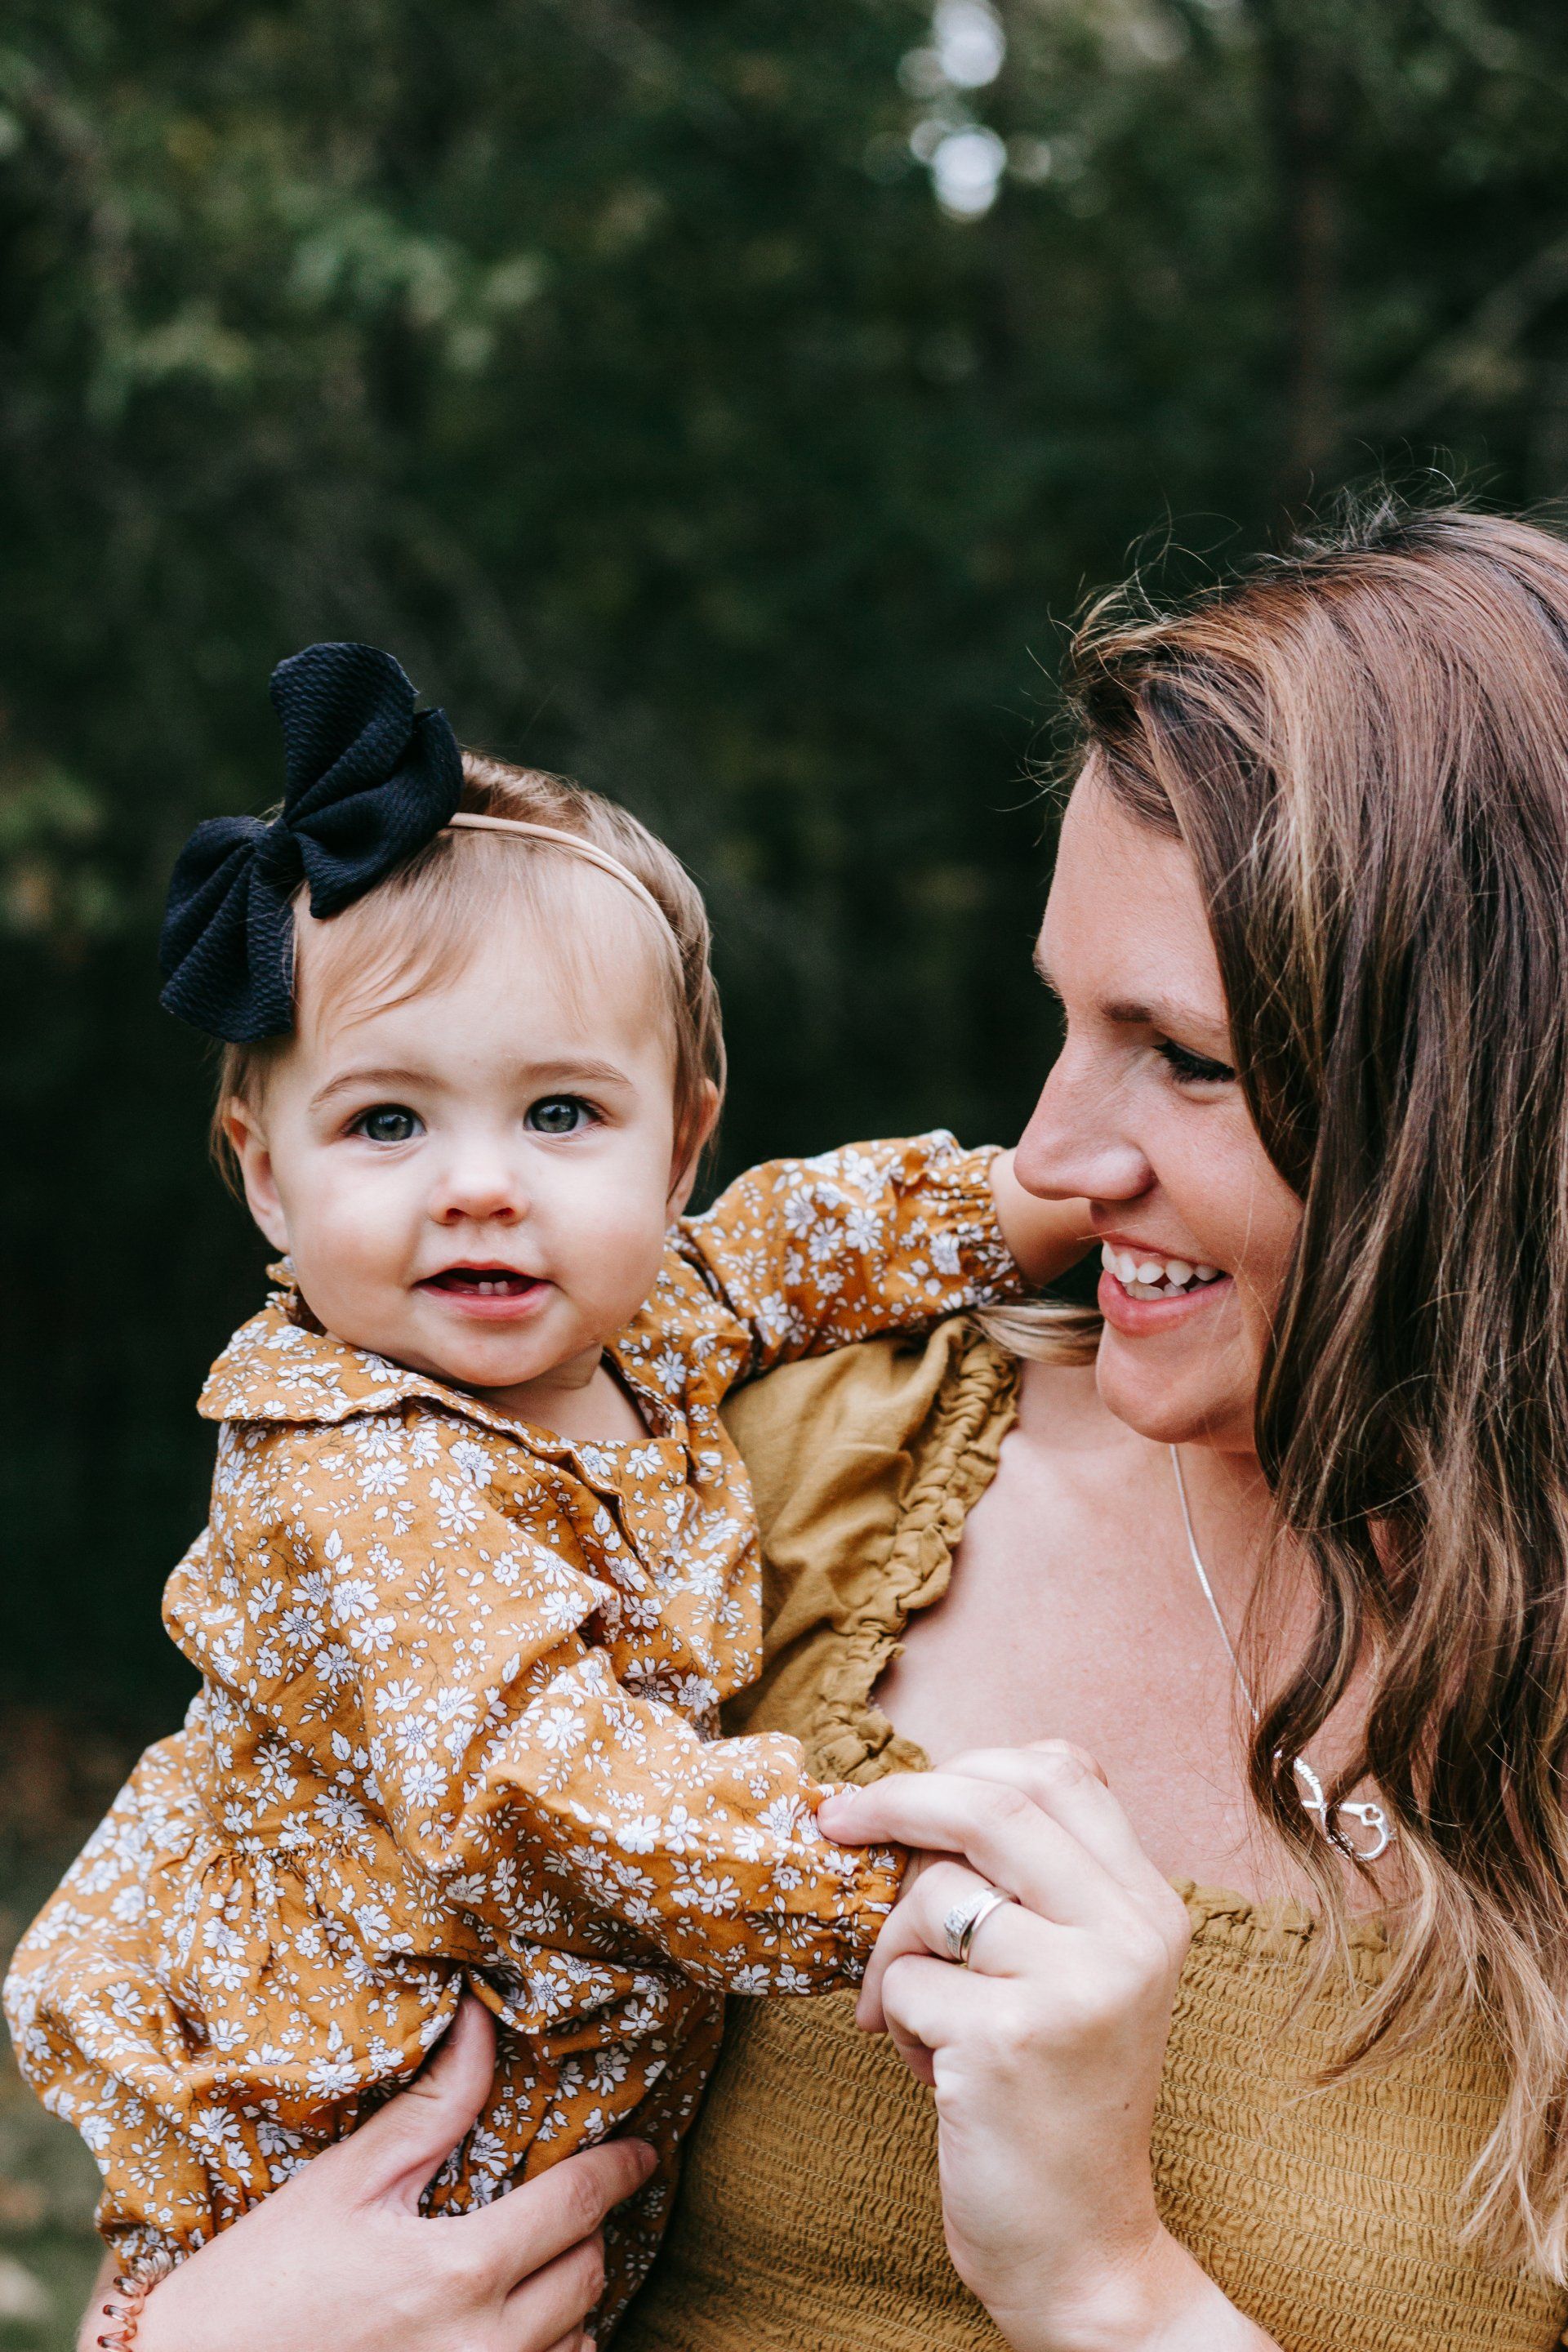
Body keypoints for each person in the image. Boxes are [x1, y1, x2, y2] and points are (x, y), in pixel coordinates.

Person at [57, 500, 1568, 2351]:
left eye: (1185, 1056)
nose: (1063, 1157)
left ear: (1480, 1109)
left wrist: (1108, 2285)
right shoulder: (751, 1458)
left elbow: (803, 1235)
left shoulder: (676, 1338)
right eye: (1066, 1024)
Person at [2, 641, 1085, 2339]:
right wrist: (893, 1896)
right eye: (387, 1124)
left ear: (676, 1148)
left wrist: (1036, 1205)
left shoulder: (653, 1318)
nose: (484, 1188)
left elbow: (792, 1245)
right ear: (262, 1175)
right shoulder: (357, 1474)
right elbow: (548, 1785)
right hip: (321, 2137)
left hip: (528, 2147)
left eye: (562, 1113)